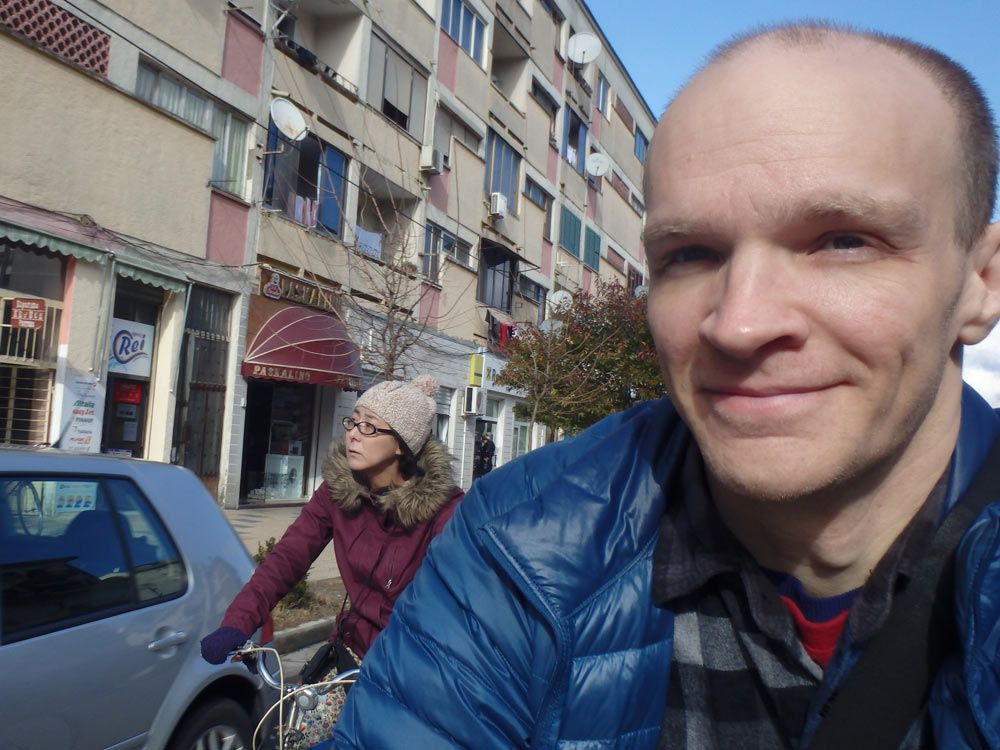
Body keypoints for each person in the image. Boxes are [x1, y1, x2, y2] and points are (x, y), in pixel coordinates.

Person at [333, 24, 1000, 750]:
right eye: (691, 253)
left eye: (842, 240)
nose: (739, 324)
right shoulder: (523, 544)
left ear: (981, 282)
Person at [200, 375, 463, 742]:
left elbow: (455, 610)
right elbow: (286, 558)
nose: (354, 433)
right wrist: (238, 622)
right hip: (348, 659)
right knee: (291, 737)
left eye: (369, 426)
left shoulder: (445, 515)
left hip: (408, 673)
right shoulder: (338, 492)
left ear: (402, 444)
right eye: (353, 421)